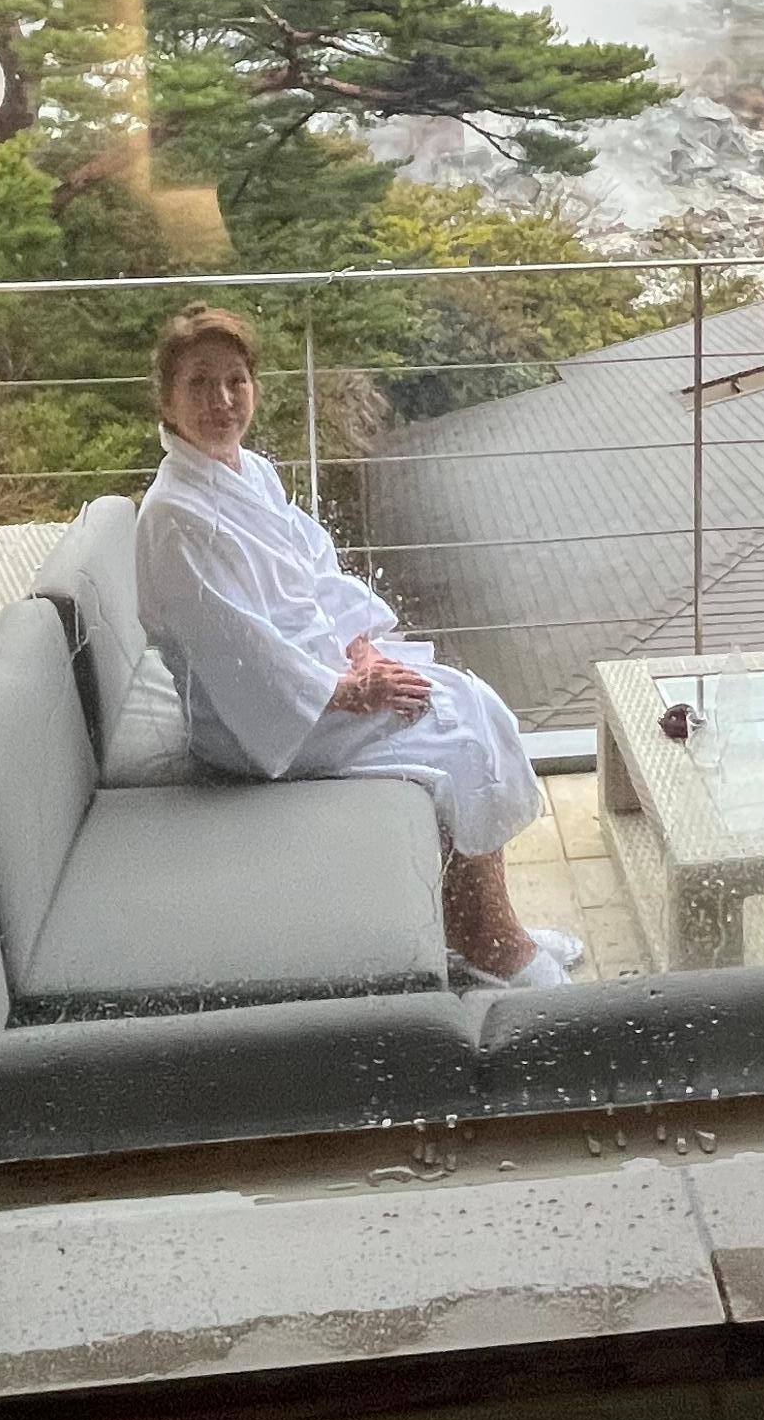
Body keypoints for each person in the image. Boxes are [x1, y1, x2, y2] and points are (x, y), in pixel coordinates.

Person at [133, 304, 582, 983]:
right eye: (198, 383)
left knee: (472, 700)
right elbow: (236, 651)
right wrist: (346, 691)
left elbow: (315, 572)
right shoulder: (175, 517)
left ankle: (487, 928)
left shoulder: (246, 471)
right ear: (166, 400)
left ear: (255, 386)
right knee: (447, 733)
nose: (221, 401)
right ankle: (494, 948)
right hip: (256, 721)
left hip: (307, 680)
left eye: (235, 381)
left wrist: (363, 648)